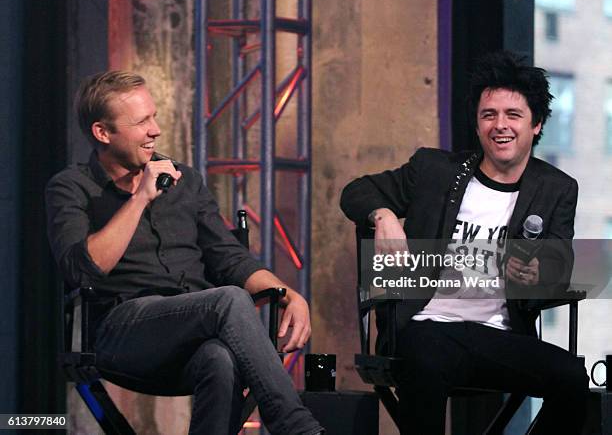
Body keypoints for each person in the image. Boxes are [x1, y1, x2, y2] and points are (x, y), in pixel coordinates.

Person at [46, 71, 324, 435]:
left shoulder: (185, 180)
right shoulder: (71, 187)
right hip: (120, 332)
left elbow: (228, 257)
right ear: (103, 133)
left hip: (191, 329)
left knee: (219, 358)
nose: (156, 130)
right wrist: (140, 197)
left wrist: (288, 294)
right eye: (142, 121)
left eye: (154, 116)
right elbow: (84, 269)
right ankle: (297, 428)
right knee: (227, 301)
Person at [340, 51, 589, 434]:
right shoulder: (435, 172)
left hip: (501, 337)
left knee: (572, 377)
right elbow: (356, 192)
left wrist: (538, 276)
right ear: (477, 124)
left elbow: (559, 268)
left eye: (513, 115)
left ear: (536, 125)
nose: (499, 126)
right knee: (427, 352)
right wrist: (383, 215)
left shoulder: (556, 189)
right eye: (489, 115)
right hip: (426, 327)